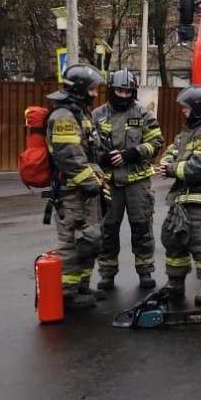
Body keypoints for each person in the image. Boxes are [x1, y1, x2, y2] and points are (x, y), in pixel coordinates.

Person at [92, 69, 164, 291]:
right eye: (120, 91)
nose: (123, 95)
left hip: (137, 183)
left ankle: (145, 272)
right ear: (112, 90)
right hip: (108, 183)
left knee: (142, 226)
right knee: (108, 228)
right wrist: (101, 158)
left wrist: (133, 153)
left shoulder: (142, 114)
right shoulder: (97, 115)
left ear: (133, 93)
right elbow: (86, 146)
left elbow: (157, 142)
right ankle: (106, 274)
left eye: (128, 92)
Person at [46, 63, 106, 309]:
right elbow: (69, 156)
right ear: (80, 89)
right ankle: (66, 294)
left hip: (85, 191)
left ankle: (82, 286)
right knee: (70, 242)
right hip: (71, 192)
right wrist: (91, 183)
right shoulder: (63, 117)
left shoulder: (80, 113)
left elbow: (91, 150)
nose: (95, 94)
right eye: (92, 89)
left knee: (89, 239)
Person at [158, 85, 201, 305]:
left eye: (186, 108)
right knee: (172, 238)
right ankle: (175, 282)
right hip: (180, 198)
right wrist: (167, 161)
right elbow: (171, 152)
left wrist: (170, 168)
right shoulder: (186, 132)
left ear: (198, 108)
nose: (183, 111)